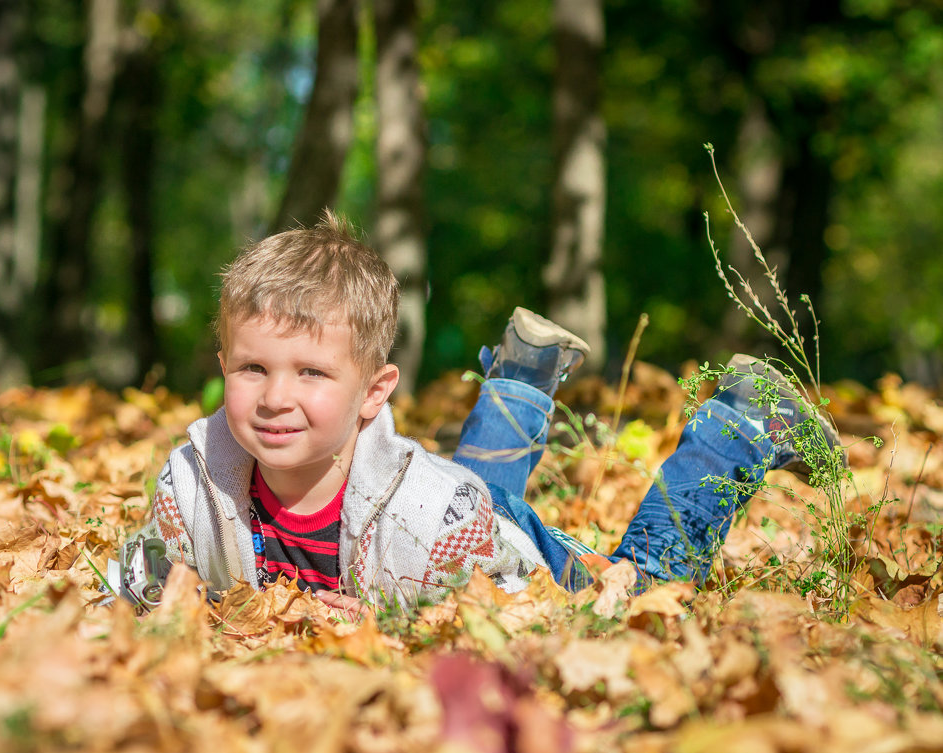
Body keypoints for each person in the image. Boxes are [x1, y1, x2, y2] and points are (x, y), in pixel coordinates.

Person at [109, 211, 845, 613]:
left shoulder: (434, 520)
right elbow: (141, 579)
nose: (274, 396)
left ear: (374, 391)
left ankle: (738, 428)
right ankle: (518, 383)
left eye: (310, 372)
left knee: (643, 582)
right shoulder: (192, 484)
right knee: (475, 498)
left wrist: (582, 604)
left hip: (507, 559)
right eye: (252, 368)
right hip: (452, 514)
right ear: (221, 370)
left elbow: (519, 605)